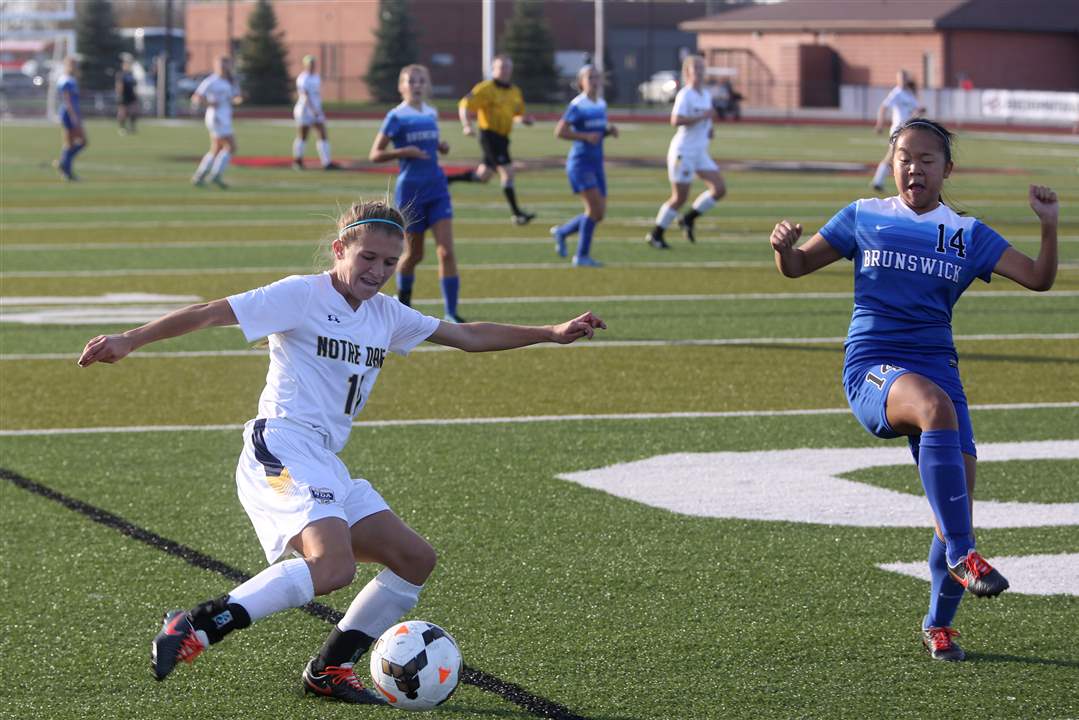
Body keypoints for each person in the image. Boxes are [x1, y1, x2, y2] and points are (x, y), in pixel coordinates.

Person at [77, 198, 606, 702]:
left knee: (414, 559)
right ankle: (197, 625)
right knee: (332, 567)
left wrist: (551, 332)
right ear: (339, 250)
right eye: (367, 257)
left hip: (324, 460)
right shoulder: (301, 295)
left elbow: (467, 336)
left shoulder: (386, 314)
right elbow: (210, 313)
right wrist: (130, 339)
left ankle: (329, 669)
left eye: (390, 262)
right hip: (280, 448)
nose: (378, 271)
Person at [768, 118, 1059, 663]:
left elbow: (1039, 278)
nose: (913, 168)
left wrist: (1048, 225)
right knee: (933, 413)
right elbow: (798, 266)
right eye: (904, 158)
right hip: (873, 367)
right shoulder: (865, 215)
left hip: (939, 371)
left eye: (927, 160)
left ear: (947, 169)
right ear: (892, 162)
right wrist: (784, 248)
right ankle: (963, 554)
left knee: (955, 505)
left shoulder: (966, 233)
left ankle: (938, 625)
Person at [369, 65, 464, 322]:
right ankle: (403, 308)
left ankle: (451, 313)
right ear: (401, 86)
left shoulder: (431, 112)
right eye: (411, 81)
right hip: (411, 191)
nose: (417, 85)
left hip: (437, 188)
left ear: (428, 85)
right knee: (413, 255)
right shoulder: (396, 116)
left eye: (421, 80)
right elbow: (375, 154)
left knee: (446, 252)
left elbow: (431, 146)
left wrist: (441, 146)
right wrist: (403, 152)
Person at [646, 54, 727, 249]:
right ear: (687, 72)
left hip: (700, 152)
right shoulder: (685, 95)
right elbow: (675, 120)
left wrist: (709, 128)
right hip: (683, 152)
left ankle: (688, 218)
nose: (699, 71)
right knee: (680, 197)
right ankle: (656, 234)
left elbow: (706, 118)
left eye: (701, 68)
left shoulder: (705, 94)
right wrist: (702, 117)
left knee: (719, 189)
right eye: (695, 68)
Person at [448, 55, 536, 226]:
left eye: (508, 67)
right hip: (489, 136)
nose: (505, 71)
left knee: (483, 176)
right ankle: (517, 214)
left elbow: (517, 114)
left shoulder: (515, 91)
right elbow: (464, 104)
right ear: (493, 69)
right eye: (501, 67)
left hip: (503, 138)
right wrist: (467, 125)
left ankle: (446, 180)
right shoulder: (486, 88)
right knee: (508, 172)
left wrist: (524, 120)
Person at [550, 65, 618, 268]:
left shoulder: (601, 104)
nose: (595, 81)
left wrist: (609, 131)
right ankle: (581, 256)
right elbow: (560, 131)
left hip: (596, 163)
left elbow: (597, 132)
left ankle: (562, 232)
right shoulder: (577, 105)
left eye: (597, 77)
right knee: (593, 210)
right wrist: (585, 137)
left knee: (599, 214)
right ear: (581, 82)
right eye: (590, 78)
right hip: (580, 164)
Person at [191, 55, 241, 189]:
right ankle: (215, 175)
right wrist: (209, 103)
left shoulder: (231, 80)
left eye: (225, 65)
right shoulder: (211, 81)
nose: (223, 67)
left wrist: (237, 99)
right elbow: (196, 97)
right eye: (220, 65)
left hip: (225, 117)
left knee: (216, 149)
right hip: (216, 117)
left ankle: (200, 175)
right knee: (231, 147)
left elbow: (235, 96)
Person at [871, 70, 925, 192]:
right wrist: (879, 124)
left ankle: (908, 182)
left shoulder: (909, 94)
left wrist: (920, 111)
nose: (902, 80)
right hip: (898, 130)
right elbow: (883, 107)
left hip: (908, 130)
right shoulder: (896, 93)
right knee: (892, 155)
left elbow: (916, 110)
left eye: (904, 78)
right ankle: (877, 181)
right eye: (900, 78)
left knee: (906, 156)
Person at [292, 55, 338, 170]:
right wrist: (313, 110)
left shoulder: (316, 77)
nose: (312, 65)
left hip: (316, 110)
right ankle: (298, 161)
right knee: (303, 135)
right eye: (310, 63)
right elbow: (305, 96)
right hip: (304, 110)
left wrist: (318, 109)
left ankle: (327, 162)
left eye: (313, 63)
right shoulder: (303, 78)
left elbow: (316, 95)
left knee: (322, 133)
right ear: (305, 65)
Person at [55, 56, 86, 181]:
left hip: (72, 113)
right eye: (72, 64)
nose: (75, 67)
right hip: (69, 114)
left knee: (71, 143)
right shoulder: (65, 80)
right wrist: (73, 116)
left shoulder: (72, 79)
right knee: (80, 142)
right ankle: (65, 167)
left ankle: (65, 166)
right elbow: (67, 100)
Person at [115, 54, 138, 135]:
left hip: (131, 96)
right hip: (124, 96)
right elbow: (119, 85)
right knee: (122, 113)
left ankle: (132, 127)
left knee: (133, 112)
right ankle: (122, 128)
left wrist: (136, 94)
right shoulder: (120, 74)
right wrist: (119, 95)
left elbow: (134, 85)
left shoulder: (131, 74)